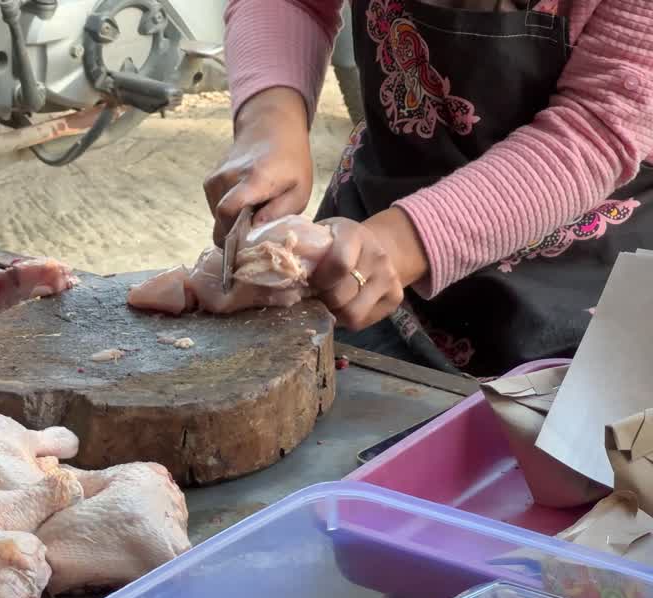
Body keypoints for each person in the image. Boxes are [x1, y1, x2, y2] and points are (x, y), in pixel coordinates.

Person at [204, 0, 653, 377]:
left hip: (572, 277)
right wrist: (270, 122)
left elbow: (595, 127)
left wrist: (399, 245)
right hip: (376, 206)